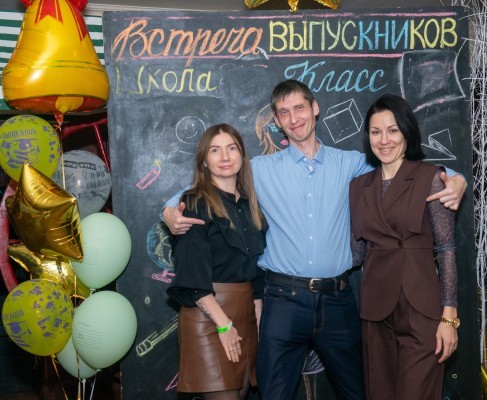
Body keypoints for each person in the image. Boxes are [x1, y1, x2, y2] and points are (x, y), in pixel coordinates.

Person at [162, 80, 467, 400]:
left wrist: (455, 177)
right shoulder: (259, 169)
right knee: (273, 394)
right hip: (283, 300)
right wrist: (169, 209)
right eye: (284, 113)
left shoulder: (351, 163)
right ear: (277, 121)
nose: (294, 118)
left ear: (315, 108)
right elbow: (208, 185)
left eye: (299, 108)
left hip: (338, 300)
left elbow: (403, 166)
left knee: (359, 392)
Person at [349, 94, 459, 400]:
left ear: (407, 132)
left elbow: (447, 249)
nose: (384, 140)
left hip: (421, 307)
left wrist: (449, 318)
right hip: (376, 309)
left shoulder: (430, 178)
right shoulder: (358, 187)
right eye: (376, 132)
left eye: (393, 130)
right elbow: (355, 254)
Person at [165, 123, 267, 400]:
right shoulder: (194, 202)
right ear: (204, 161)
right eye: (215, 150)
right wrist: (223, 325)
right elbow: (192, 274)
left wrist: (258, 325)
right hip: (209, 315)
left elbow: (256, 276)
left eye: (231, 148)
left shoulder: (251, 206)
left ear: (242, 155)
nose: (224, 157)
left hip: (246, 316)